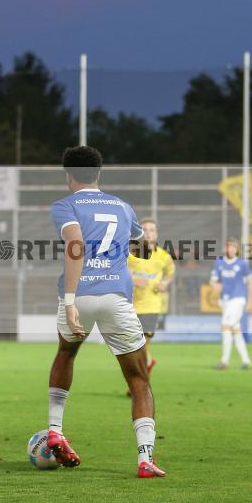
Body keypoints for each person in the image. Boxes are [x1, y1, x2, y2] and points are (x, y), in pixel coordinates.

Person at [46, 146, 164, 478]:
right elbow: (144, 248)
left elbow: (75, 246)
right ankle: (145, 458)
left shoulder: (64, 205)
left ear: (68, 176)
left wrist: (69, 301)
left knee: (66, 354)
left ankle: (55, 429)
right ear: (99, 175)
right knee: (139, 380)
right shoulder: (123, 207)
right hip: (116, 298)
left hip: (79, 296)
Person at [127, 218, 174, 389]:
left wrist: (164, 284)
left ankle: (138, 385)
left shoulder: (164, 256)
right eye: (145, 230)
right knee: (134, 347)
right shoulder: (132, 254)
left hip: (152, 305)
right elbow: (122, 272)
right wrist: (132, 279)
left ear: (157, 234)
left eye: (151, 230)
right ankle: (147, 364)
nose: (148, 233)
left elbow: (170, 273)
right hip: (132, 305)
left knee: (143, 343)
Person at [210, 238, 252, 370]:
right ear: (226, 247)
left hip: (238, 299)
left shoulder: (242, 264)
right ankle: (246, 361)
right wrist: (215, 285)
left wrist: (250, 299)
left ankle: (224, 361)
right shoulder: (219, 262)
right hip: (225, 301)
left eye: (234, 247)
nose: (232, 249)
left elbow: (250, 282)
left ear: (237, 249)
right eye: (229, 246)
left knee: (225, 326)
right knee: (236, 330)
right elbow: (213, 280)